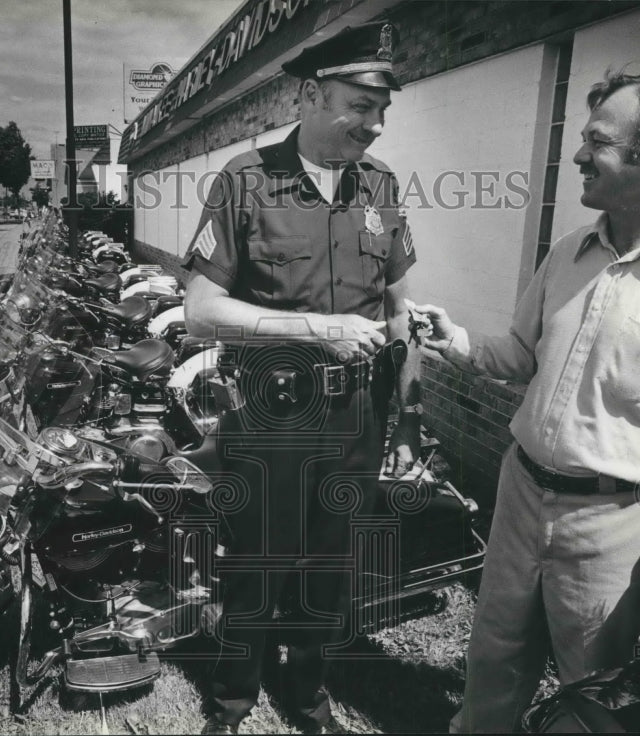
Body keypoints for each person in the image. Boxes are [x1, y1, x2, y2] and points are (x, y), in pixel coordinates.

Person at [408, 71, 640, 732]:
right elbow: (522, 356)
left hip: (616, 524)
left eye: (597, 143)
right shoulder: (570, 252)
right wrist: (454, 338)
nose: (577, 156)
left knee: (593, 699)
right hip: (520, 495)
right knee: (492, 664)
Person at [182, 22, 421, 735]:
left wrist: (408, 419)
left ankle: (307, 693)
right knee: (258, 563)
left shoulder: (380, 187)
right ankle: (232, 701)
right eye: (360, 104)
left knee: (328, 568)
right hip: (271, 413)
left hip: (357, 418)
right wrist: (315, 329)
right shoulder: (245, 180)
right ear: (312, 94)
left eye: (382, 110)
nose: (374, 126)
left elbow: (399, 307)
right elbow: (200, 310)